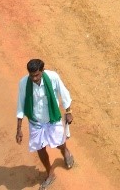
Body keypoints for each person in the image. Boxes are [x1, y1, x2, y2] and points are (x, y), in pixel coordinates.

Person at [16, 59, 76, 187]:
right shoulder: (23, 83)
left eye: (37, 75)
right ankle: (50, 173)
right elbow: (20, 105)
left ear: (42, 71)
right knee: (40, 148)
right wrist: (19, 129)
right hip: (35, 122)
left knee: (59, 143)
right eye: (32, 76)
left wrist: (68, 111)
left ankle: (65, 151)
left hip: (52, 119)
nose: (34, 78)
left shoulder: (53, 77)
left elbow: (64, 93)